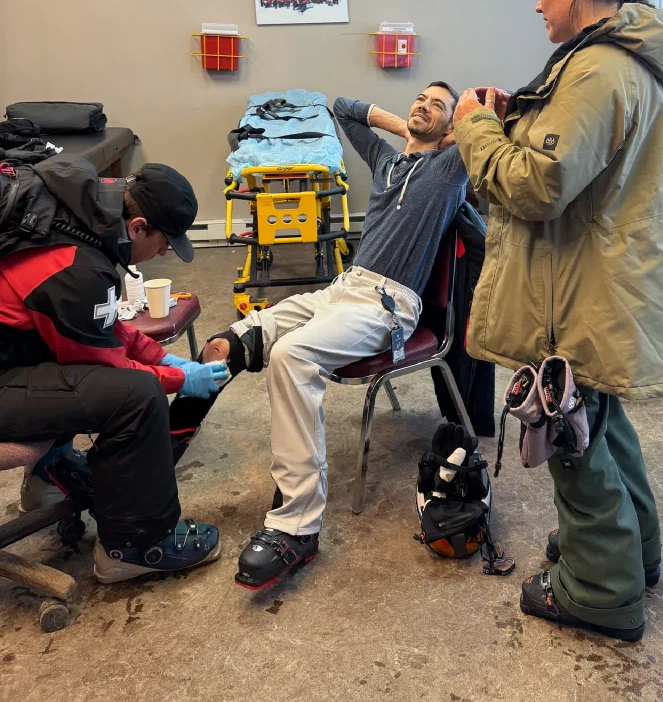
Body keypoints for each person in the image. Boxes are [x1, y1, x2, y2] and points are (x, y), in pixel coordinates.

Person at [453, 0, 663, 642]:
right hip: (601, 285)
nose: (536, 1)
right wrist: (511, 114)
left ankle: (598, 589)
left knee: (568, 435)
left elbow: (537, 184)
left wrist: (473, 124)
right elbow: (569, 159)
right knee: (604, 424)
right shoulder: (618, 62)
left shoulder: (597, 68)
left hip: (584, 293)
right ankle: (630, 554)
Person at [180, 83, 467, 591]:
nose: (423, 104)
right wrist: (409, 128)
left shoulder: (448, 171)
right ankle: (159, 455)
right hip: (340, 291)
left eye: (437, 105)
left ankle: (297, 524)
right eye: (420, 98)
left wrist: (450, 134)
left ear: (451, 127)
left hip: (388, 303)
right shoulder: (387, 161)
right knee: (231, 342)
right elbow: (345, 109)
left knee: (291, 356)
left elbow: (490, 123)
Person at [0, 160, 229, 583]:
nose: (164, 253)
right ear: (138, 226)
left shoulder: (75, 223)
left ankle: (47, 479)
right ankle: (135, 547)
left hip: (11, 360)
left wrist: (163, 357)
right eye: (164, 242)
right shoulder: (75, 265)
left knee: (116, 376)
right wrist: (181, 378)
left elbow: (101, 322)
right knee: (135, 396)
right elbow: (99, 363)